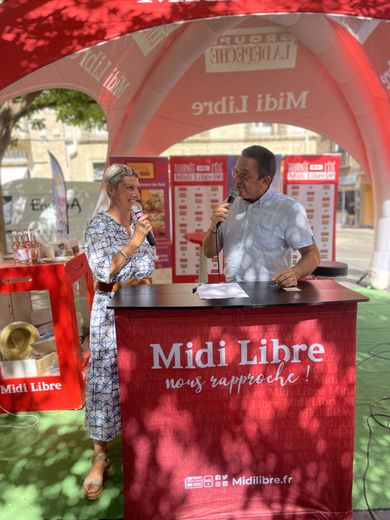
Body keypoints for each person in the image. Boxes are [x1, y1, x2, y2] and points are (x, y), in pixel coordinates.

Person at [82, 164, 156, 500]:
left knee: (139, 380)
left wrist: (142, 237)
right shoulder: (99, 226)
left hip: (143, 310)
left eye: (136, 188)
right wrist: (135, 241)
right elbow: (103, 269)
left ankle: (141, 446)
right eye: (127, 187)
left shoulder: (138, 224)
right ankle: (100, 456)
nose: (134, 194)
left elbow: (151, 262)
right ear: (110, 189)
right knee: (105, 381)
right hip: (111, 311)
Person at [203, 145, 320, 286]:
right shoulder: (229, 205)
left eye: (244, 175)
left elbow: (312, 255)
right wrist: (213, 227)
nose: (236, 181)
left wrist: (295, 273)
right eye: (236, 172)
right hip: (232, 291)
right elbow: (209, 252)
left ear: (265, 181)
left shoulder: (289, 209)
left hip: (270, 295)